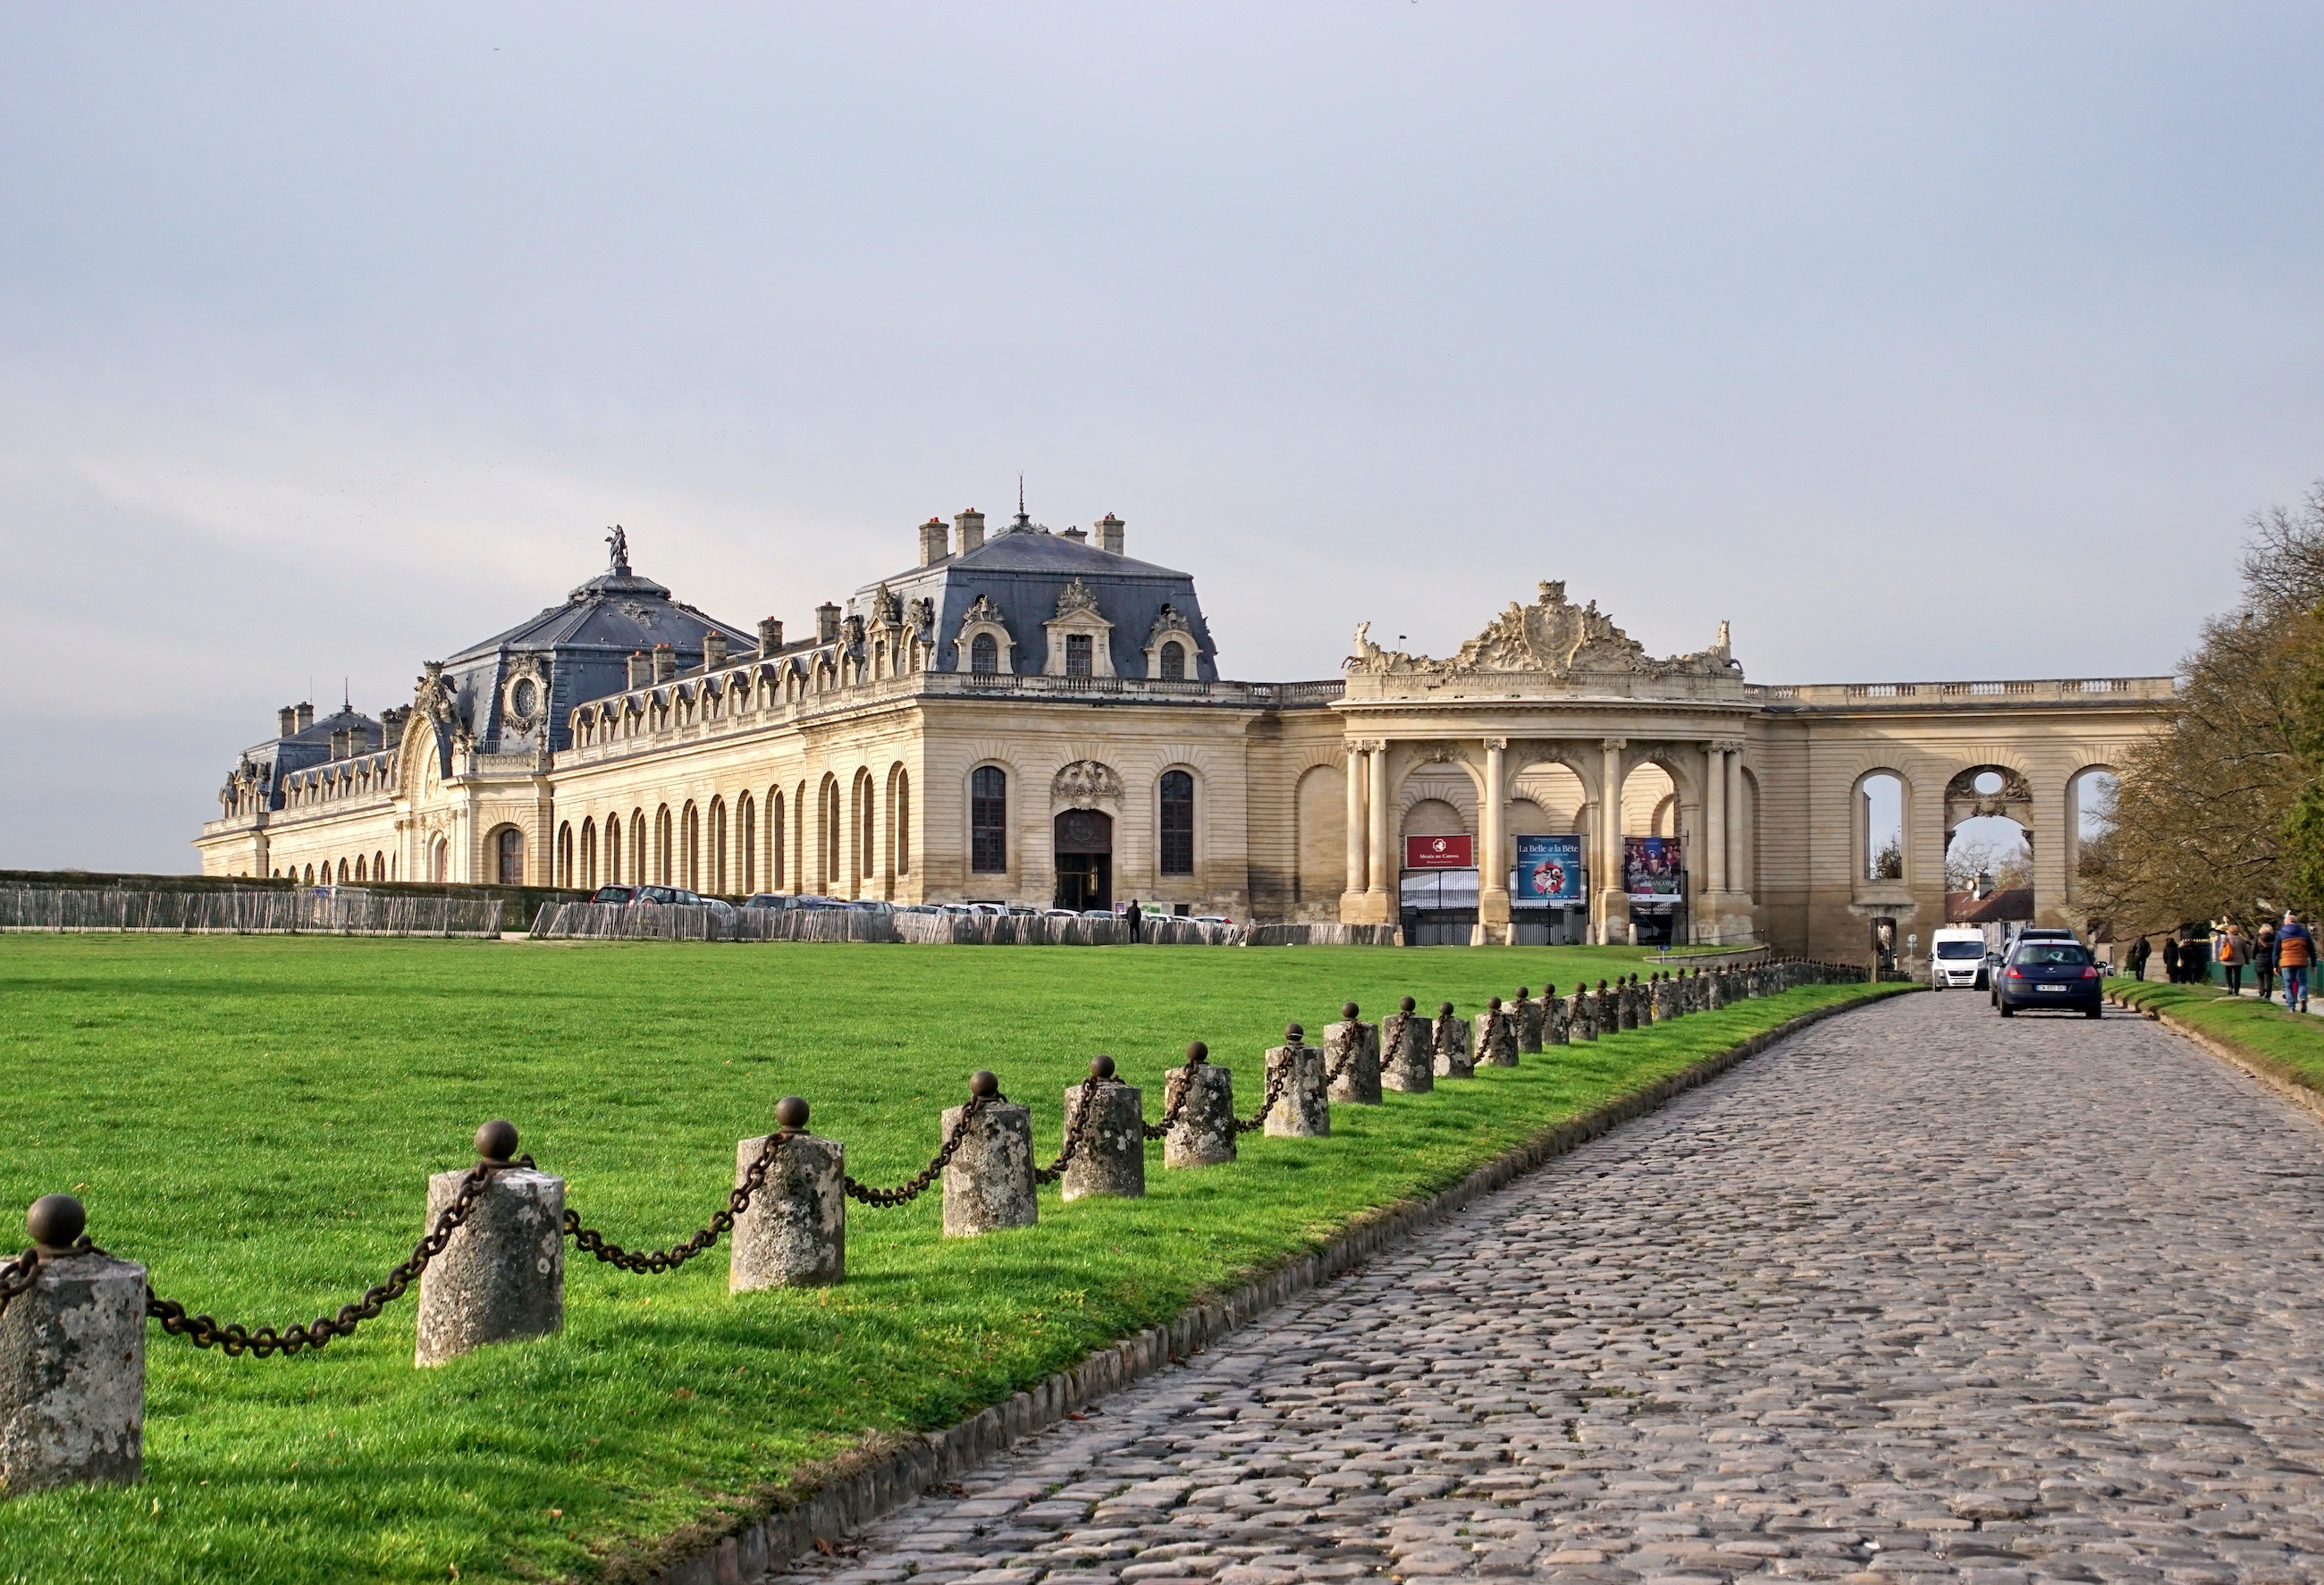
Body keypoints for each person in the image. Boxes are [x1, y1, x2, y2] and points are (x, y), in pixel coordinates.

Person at [2278, 911, 2313, 1012]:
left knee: (2288, 985)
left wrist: (2275, 964)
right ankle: (2303, 998)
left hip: (2287, 962)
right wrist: (2314, 964)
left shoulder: (2281, 933)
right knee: (2302, 983)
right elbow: (2311, 949)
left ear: (2287, 922)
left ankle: (2291, 1006)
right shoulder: (2304, 933)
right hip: (2301, 962)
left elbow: (2276, 950)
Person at [2217, 922, 2247, 996]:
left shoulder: (2226, 938)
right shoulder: (2242, 939)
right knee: (2237, 975)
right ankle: (2237, 991)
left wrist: (2220, 955)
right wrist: (2247, 960)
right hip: (2239, 960)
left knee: (2228, 973)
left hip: (2228, 959)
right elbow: (2246, 951)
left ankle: (2230, 987)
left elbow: (2221, 948)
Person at [2257, 923, 2279, 1003]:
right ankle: (2268, 994)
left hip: (2260, 959)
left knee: (2260, 977)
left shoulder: (2258, 938)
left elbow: (2254, 949)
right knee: (2269, 978)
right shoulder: (2276, 938)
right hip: (2270, 959)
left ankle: (2261, 991)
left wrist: (2254, 957)